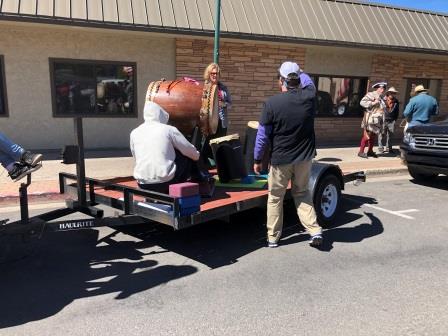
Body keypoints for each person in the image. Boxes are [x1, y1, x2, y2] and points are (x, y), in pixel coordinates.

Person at [253, 61, 323, 248]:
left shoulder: (271, 104)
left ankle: (273, 238)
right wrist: (300, 70)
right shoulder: (309, 98)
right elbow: (310, 84)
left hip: (281, 159)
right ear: (298, 79)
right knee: (301, 192)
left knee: (276, 198)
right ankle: (314, 230)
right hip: (304, 158)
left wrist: (257, 159)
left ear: (281, 81)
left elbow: (262, 136)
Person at [130, 101, 201, 194]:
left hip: (142, 184)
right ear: (160, 115)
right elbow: (191, 152)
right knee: (186, 154)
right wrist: (197, 155)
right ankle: (193, 182)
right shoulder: (168, 129)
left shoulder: (134, 132)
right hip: (165, 183)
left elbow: (135, 157)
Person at [358, 81, 387, 159]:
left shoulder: (381, 97)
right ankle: (361, 152)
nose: (383, 89)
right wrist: (373, 102)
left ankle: (370, 151)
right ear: (377, 88)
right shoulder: (371, 94)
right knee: (367, 135)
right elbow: (362, 102)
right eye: (381, 88)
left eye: (384, 88)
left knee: (373, 136)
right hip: (370, 120)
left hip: (377, 120)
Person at [203, 63, 232, 138]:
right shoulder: (204, 88)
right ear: (209, 74)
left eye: (217, 73)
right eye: (213, 73)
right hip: (207, 123)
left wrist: (224, 104)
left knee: (220, 145)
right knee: (207, 146)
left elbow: (230, 104)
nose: (215, 75)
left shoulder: (223, 88)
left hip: (221, 122)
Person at [378, 87, 400, 153]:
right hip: (383, 119)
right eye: (391, 93)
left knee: (390, 135)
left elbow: (397, 111)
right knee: (381, 134)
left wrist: (395, 119)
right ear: (388, 93)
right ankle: (381, 148)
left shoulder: (396, 101)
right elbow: (379, 109)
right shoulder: (383, 100)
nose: (392, 94)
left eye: (394, 93)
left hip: (392, 120)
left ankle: (389, 148)